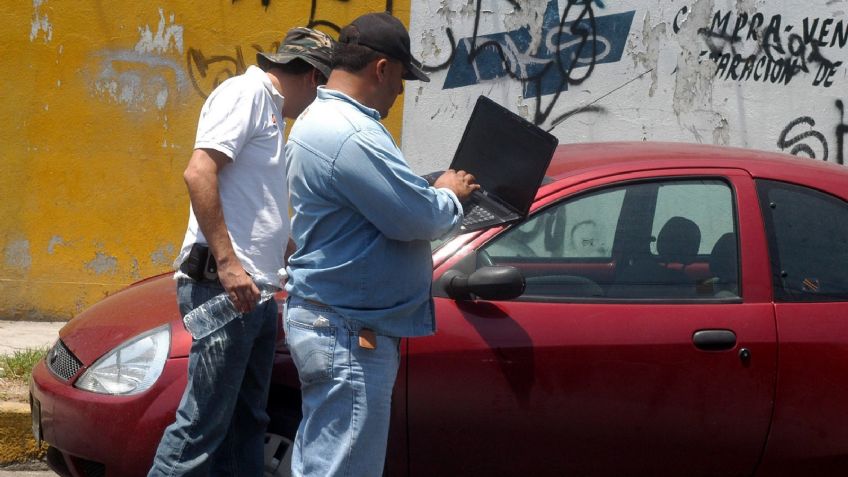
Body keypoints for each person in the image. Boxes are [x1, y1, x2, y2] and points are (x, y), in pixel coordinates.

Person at [284, 12, 479, 477]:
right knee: (344, 467)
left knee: (322, 461)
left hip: (336, 322)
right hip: (350, 332)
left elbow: (376, 203)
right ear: (381, 69)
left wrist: (423, 188)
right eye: (401, 79)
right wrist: (449, 195)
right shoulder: (350, 133)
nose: (399, 92)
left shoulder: (321, 119)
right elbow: (417, 218)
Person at [148, 27, 334, 477]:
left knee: (247, 423)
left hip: (256, 294)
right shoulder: (246, 93)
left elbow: (257, 209)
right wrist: (230, 265)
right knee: (202, 427)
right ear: (311, 76)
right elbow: (199, 173)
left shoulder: (271, 112)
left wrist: (296, 256)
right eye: (323, 87)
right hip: (224, 288)